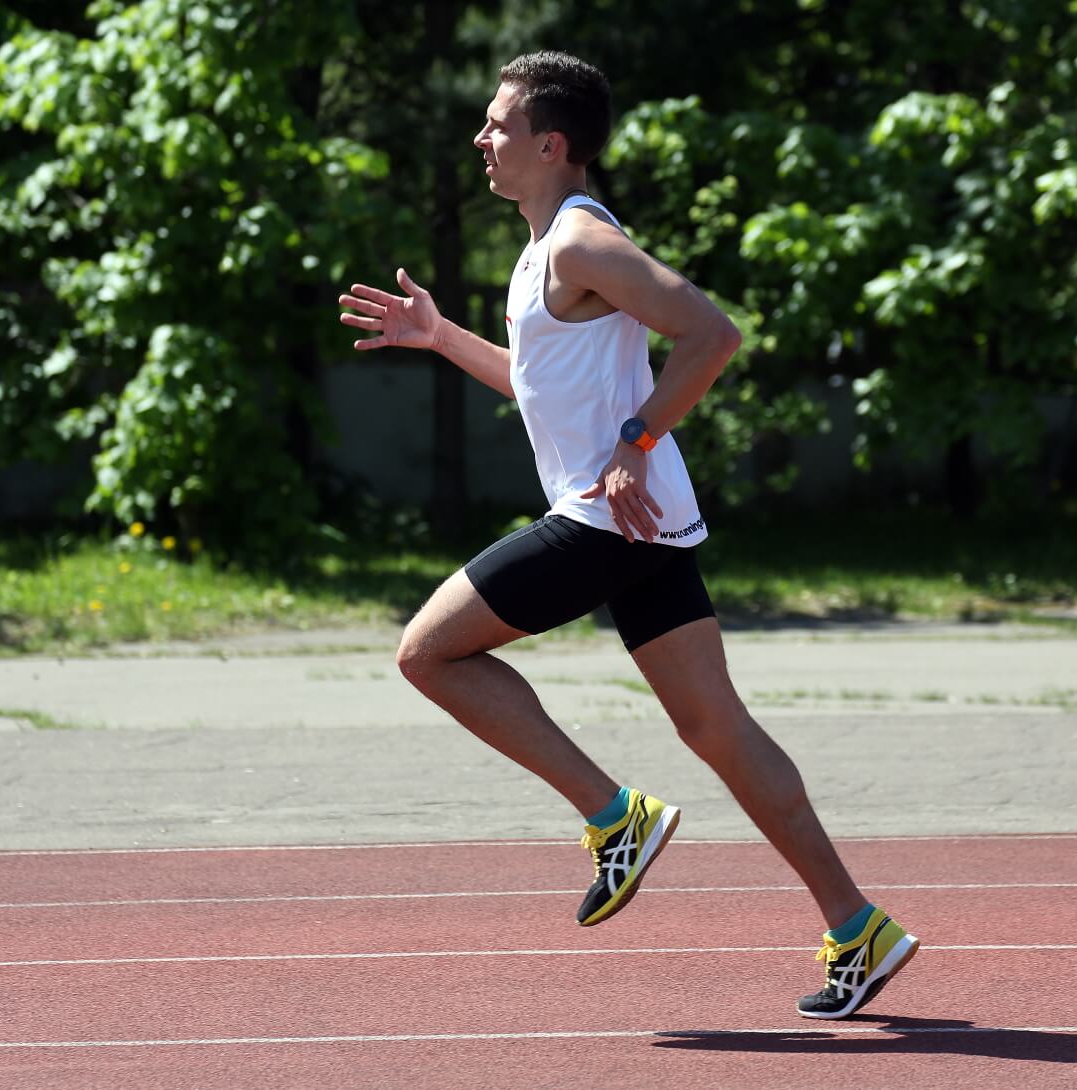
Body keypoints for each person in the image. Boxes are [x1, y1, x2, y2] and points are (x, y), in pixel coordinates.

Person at [336, 50, 917, 1019]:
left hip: (607, 517)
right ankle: (856, 924)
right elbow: (539, 381)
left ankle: (615, 816)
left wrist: (636, 440)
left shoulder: (578, 245)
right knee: (716, 729)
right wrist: (440, 338)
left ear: (549, 142)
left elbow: (712, 334)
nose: (481, 138)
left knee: (427, 653)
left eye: (497, 124)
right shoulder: (545, 250)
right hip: (643, 522)